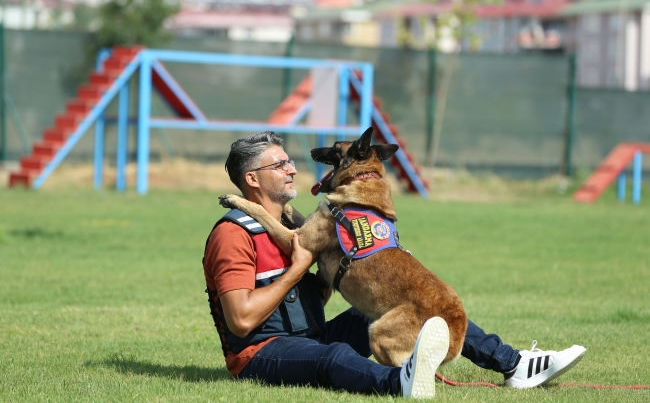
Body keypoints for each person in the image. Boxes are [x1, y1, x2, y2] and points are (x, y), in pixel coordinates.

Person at [203, 131, 586, 398]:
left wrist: (333, 272)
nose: (292, 169)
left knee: (425, 306)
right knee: (334, 359)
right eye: (279, 165)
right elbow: (242, 320)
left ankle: (513, 364)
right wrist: (298, 268)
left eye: (288, 161)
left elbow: (310, 302)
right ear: (252, 179)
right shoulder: (234, 234)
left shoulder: (299, 221)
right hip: (261, 355)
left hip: (307, 335)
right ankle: (398, 382)